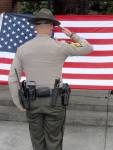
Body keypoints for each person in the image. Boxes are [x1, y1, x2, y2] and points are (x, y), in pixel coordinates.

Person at [8, 8, 93, 150]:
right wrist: (72, 35)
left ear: (35, 26)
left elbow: (12, 78)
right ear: (51, 27)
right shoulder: (61, 46)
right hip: (55, 101)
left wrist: (18, 102)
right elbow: (88, 48)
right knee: (54, 140)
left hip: (32, 101)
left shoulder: (22, 49)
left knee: (37, 140)